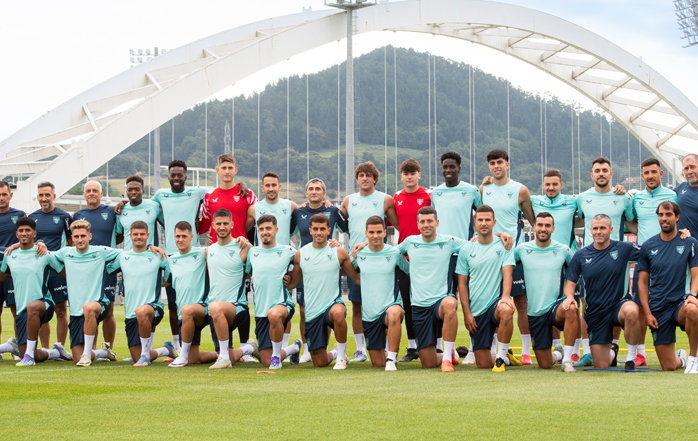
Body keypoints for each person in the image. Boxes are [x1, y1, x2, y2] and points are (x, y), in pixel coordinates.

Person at [50, 220, 145, 366]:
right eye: (76, 236)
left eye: (83, 236)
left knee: (89, 308)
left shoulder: (101, 251)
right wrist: (37, 244)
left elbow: (129, 252)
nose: (80, 240)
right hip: (76, 311)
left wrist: (149, 248)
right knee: (76, 358)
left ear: (90, 236)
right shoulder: (65, 253)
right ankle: (103, 352)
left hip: (98, 304)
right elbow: (46, 254)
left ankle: (87, 355)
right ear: (72, 238)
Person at [574, 158, 635, 367]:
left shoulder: (623, 197)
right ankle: (588, 352)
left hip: (616, 259)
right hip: (589, 259)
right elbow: (577, 220)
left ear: (611, 174)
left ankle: (614, 347)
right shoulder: (582, 198)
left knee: (617, 300)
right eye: (597, 170)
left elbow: (632, 222)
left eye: (605, 170)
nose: (601, 173)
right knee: (586, 304)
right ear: (592, 175)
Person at [146, 160, 208, 354]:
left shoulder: (196, 193)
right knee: (173, 305)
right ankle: (177, 345)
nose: (176, 178)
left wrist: (243, 186)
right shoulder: (160, 195)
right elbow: (144, 208)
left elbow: (220, 195)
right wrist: (123, 203)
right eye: (173, 175)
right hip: (170, 256)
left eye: (180, 175)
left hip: (193, 256)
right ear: (169, 176)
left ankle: (193, 346)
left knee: (194, 304)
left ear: (185, 176)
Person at [197, 154, 256, 361]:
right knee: (218, 298)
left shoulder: (247, 194)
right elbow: (204, 224)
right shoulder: (209, 196)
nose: (227, 171)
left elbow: (253, 218)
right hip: (217, 254)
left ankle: (245, 346)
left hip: (239, 252)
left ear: (235, 170)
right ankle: (228, 349)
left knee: (241, 297)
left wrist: (239, 234)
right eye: (223, 167)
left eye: (231, 167)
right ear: (217, 170)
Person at [563, 214, 641, 370]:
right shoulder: (581, 255)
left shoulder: (624, 248)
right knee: (601, 365)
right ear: (590, 230)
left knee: (632, 310)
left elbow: (652, 252)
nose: (599, 231)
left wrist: (680, 237)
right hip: (596, 312)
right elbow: (570, 283)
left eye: (603, 228)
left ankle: (631, 358)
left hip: (619, 305)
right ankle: (612, 352)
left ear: (611, 229)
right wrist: (569, 297)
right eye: (595, 228)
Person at [480, 149, 535, 365]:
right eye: (492, 163)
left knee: (521, 303)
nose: (496, 166)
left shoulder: (520, 190)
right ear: (489, 166)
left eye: (500, 162)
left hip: (514, 255)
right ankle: (495, 349)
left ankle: (525, 351)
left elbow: (534, 220)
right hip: (490, 256)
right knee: (492, 303)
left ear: (507, 164)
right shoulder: (484, 189)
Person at [340, 161, 399, 363]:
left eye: (368, 175)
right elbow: (337, 223)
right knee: (357, 305)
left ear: (375, 179)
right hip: (357, 261)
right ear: (357, 179)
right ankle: (360, 351)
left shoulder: (385, 199)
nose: (364, 178)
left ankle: (389, 349)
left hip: (380, 260)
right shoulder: (348, 200)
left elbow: (399, 226)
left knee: (386, 305)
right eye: (361, 175)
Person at [287, 214, 361, 369]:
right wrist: (282, 280)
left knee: (338, 313)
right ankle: (334, 353)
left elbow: (356, 278)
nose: (319, 232)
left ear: (329, 230)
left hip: (332, 304)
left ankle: (341, 357)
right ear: (310, 230)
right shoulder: (301, 254)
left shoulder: (339, 252)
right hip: (312, 312)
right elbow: (292, 283)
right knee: (320, 363)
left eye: (322, 229)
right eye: (315, 229)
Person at [397, 206, 464, 372]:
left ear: (437, 223)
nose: (426, 225)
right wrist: (407, 269)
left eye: (430, 221)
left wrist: (499, 236)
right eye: (422, 221)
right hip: (419, 305)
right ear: (417, 224)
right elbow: (391, 253)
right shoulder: (410, 242)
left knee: (450, 304)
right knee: (428, 363)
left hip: (440, 301)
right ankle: (449, 355)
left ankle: (447, 358)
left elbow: (474, 246)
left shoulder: (448, 241)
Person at [625, 158, 678, 366]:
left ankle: (677, 351)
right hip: (645, 257)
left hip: (668, 259)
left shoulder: (672, 195)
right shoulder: (637, 198)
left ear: (661, 173)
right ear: (642, 176)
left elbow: (677, 220)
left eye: (654, 172)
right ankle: (640, 354)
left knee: (671, 302)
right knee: (639, 305)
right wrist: (644, 240)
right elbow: (631, 222)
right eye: (646, 173)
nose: (650, 176)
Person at [457, 205, 521, 372]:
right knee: (483, 364)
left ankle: (500, 358)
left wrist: (505, 297)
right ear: (475, 222)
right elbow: (462, 284)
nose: (484, 223)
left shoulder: (504, 245)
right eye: (480, 220)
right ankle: (507, 357)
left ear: (494, 222)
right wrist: (467, 313)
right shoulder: (466, 249)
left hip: (495, 303)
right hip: (477, 310)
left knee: (506, 309)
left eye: (487, 220)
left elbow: (507, 274)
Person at [637, 201, 698, 373]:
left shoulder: (689, 242)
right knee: (668, 366)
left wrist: (693, 295)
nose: (664, 218)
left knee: (693, 309)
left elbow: (696, 275)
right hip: (658, 307)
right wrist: (647, 313)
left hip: (680, 303)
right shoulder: (648, 246)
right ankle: (682, 359)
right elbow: (642, 283)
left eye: (668, 214)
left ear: (677, 217)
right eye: (661, 215)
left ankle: (693, 359)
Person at [431, 152, 481, 364]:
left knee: (473, 302)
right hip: (442, 256)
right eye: (445, 167)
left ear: (459, 168)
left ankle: (473, 349)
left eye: (452, 166)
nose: (448, 170)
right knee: (442, 302)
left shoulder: (471, 191)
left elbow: (484, 214)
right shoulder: (435, 193)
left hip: (466, 254)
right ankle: (445, 350)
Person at [514, 212, 579, 372]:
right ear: (534, 227)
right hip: (535, 312)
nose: (543, 229)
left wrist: (569, 296)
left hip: (556, 307)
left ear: (553, 228)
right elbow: (506, 267)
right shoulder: (521, 250)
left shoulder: (563, 250)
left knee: (571, 308)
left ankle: (567, 360)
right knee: (545, 364)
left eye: (547, 225)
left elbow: (575, 273)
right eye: (540, 225)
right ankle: (558, 354)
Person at [0, 217, 70, 366]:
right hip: (22, 311)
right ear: (16, 234)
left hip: (43, 304)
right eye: (21, 230)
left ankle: (28, 358)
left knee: (32, 306)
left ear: (34, 234)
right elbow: (2, 276)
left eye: (28, 230)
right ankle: (55, 352)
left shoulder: (43, 253)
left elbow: (64, 271)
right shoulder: (9, 255)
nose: (24, 233)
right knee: (32, 354)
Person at [105, 221, 176, 367]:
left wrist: (160, 283)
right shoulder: (123, 257)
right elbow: (107, 270)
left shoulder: (158, 256)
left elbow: (170, 278)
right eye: (135, 234)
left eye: (142, 234)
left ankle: (145, 356)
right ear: (130, 236)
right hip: (130, 313)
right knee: (135, 356)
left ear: (148, 235)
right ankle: (165, 350)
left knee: (142, 311)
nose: (139, 237)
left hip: (153, 307)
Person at [290, 178, 346, 362]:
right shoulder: (299, 212)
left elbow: (347, 229)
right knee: (303, 310)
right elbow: (286, 232)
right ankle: (308, 350)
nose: (314, 191)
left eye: (318, 189)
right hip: (305, 265)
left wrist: (336, 243)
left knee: (326, 308)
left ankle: (326, 347)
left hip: (326, 266)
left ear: (324, 193)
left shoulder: (333, 211)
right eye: (311, 189)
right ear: (306, 192)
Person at [246, 172, 299, 353]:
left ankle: (283, 347)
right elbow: (243, 230)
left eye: (274, 185)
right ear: (262, 188)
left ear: (279, 187)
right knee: (266, 306)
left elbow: (307, 216)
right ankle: (289, 349)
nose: (270, 188)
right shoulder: (254, 208)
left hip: (284, 262)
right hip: (262, 263)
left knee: (281, 308)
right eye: (267, 185)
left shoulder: (290, 205)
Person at [351, 216, 408, 371]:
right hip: (370, 314)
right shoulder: (359, 255)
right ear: (366, 233)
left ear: (384, 232)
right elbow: (345, 267)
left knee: (394, 313)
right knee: (377, 363)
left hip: (391, 306)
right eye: (371, 232)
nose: (375, 235)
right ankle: (386, 357)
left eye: (378, 232)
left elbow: (409, 271)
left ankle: (392, 358)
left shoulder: (394, 253)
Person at [245, 215, 302, 369]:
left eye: (268, 228)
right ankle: (294, 348)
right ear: (258, 231)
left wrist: (292, 279)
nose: (265, 232)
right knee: (266, 361)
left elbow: (305, 261)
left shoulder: (288, 251)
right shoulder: (253, 252)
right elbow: (248, 273)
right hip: (261, 311)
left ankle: (277, 358)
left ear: (276, 230)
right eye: (261, 229)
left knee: (274, 314)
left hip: (282, 304)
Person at [207, 209, 259, 369]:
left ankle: (224, 359)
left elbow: (257, 255)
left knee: (215, 307)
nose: (222, 227)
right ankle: (249, 348)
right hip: (214, 311)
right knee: (214, 308)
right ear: (213, 225)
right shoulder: (208, 251)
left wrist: (247, 242)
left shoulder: (242, 247)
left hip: (237, 307)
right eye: (219, 224)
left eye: (225, 223)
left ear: (232, 225)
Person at [74, 180, 121, 352]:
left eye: (95, 190)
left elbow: (120, 235)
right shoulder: (78, 215)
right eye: (88, 191)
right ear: (84, 194)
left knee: (108, 310)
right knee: (89, 309)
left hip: (107, 269)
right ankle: (92, 349)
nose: (91, 193)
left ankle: (108, 349)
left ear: (101, 194)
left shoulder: (111, 212)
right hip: (85, 270)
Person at [166, 221, 219, 368]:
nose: (180, 239)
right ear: (173, 237)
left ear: (191, 237)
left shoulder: (202, 253)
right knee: (194, 359)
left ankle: (182, 356)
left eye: (184, 236)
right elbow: (165, 281)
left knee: (188, 310)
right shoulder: (171, 260)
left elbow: (221, 249)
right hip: (183, 316)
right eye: (178, 236)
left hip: (202, 308)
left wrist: (241, 240)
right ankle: (222, 355)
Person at [29, 181, 72, 351]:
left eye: (47, 195)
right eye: (41, 195)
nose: (44, 198)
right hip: (39, 271)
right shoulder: (32, 217)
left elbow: (70, 243)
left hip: (57, 270)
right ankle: (46, 349)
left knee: (60, 310)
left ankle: (60, 348)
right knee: (41, 310)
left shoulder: (64, 217)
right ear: (37, 197)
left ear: (54, 196)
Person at [0, 181, 25, 356]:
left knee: (17, 310)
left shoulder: (19, 215)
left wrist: (15, 246)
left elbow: (27, 237)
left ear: (11, 195)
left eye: (4, 194)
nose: (1, 198)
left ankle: (18, 348)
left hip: (13, 270)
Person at [116, 175, 163, 250]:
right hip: (129, 254)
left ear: (143, 191)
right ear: (126, 192)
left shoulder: (154, 206)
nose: (133, 192)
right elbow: (119, 235)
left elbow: (167, 225)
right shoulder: (120, 210)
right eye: (130, 190)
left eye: (137, 189)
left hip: (150, 254)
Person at [676, 153, 698, 238]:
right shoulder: (681, 187)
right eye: (686, 168)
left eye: (692, 167)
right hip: (681, 244)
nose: (689, 172)